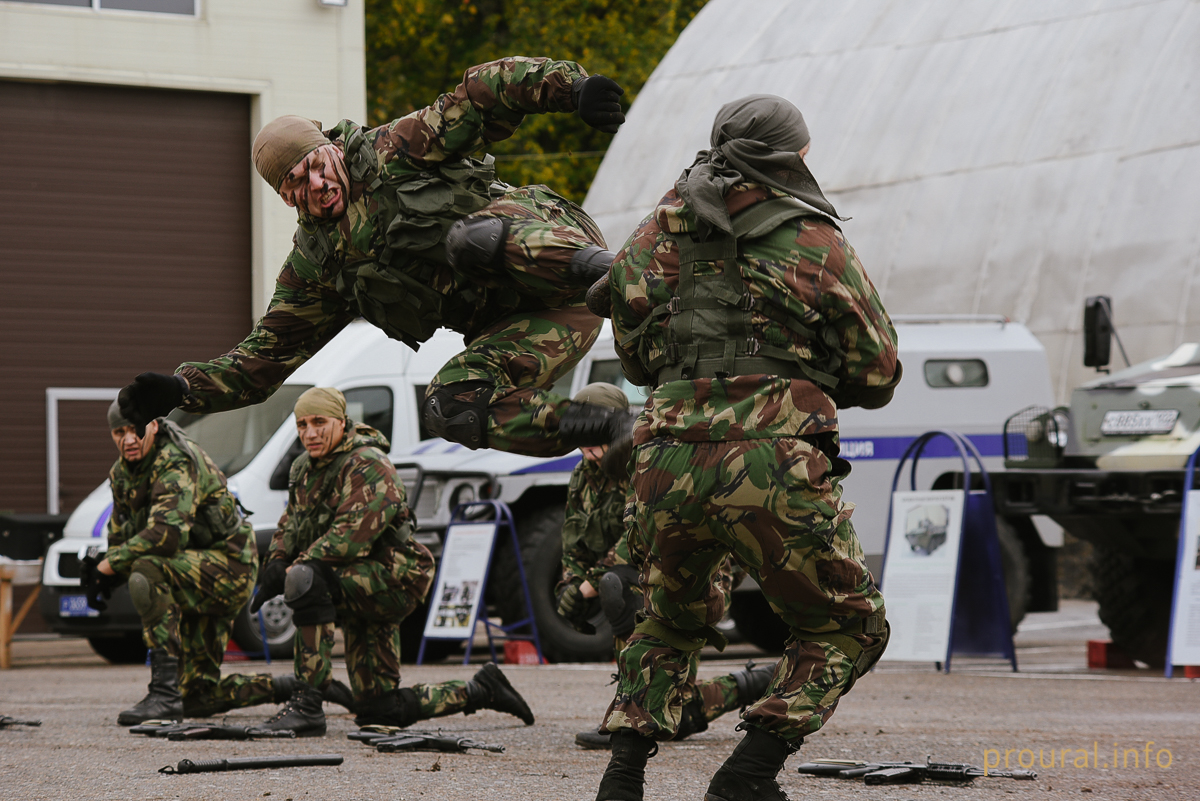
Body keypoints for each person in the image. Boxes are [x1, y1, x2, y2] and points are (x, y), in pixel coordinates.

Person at [585, 96, 899, 801]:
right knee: (849, 625)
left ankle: (622, 777)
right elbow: (878, 371)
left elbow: (635, 363)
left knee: (667, 618)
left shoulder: (648, 237)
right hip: (771, 461)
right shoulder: (812, 238)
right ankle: (748, 773)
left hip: (664, 459)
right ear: (791, 154)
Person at [117, 57, 634, 467]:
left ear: (330, 149)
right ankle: (600, 426)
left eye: (315, 166)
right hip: (545, 320)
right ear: (286, 199)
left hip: (553, 244)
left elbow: (483, 93)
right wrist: (183, 388)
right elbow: (263, 359)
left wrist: (572, 89)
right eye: (295, 184)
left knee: (470, 241)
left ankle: (628, 275)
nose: (316, 185)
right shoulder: (318, 269)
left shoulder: (398, 150)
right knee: (449, 405)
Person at [250, 387, 534, 736]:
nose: (310, 433)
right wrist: (276, 561)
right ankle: (481, 690)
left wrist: (295, 571)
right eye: (302, 425)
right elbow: (290, 522)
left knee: (307, 579)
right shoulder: (304, 469)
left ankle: (306, 705)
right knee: (380, 709)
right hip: (355, 580)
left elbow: (350, 536)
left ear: (341, 421)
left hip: (393, 578)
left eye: (319, 422)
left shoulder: (368, 463)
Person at [555, 383, 775, 751]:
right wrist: (570, 585)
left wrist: (590, 584)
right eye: (581, 443)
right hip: (642, 573)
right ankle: (751, 682)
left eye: (596, 442)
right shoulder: (583, 476)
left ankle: (632, 708)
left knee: (617, 586)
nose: (588, 452)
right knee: (677, 711)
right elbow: (574, 540)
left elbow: (641, 535)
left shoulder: (646, 459)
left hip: (692, 570)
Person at [95, 401, 323, 725]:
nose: (129, 439)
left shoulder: (175, 460)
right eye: (120, 432)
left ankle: (163, 694)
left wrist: (111, 564)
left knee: (147, 569)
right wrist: (102, 571)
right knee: (197, 697)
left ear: (154, 426)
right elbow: (120, 537)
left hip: (229, 568)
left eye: (136, 430)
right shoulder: (122, 473)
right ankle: (290, 687)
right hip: (190, 572)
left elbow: (165, 535)